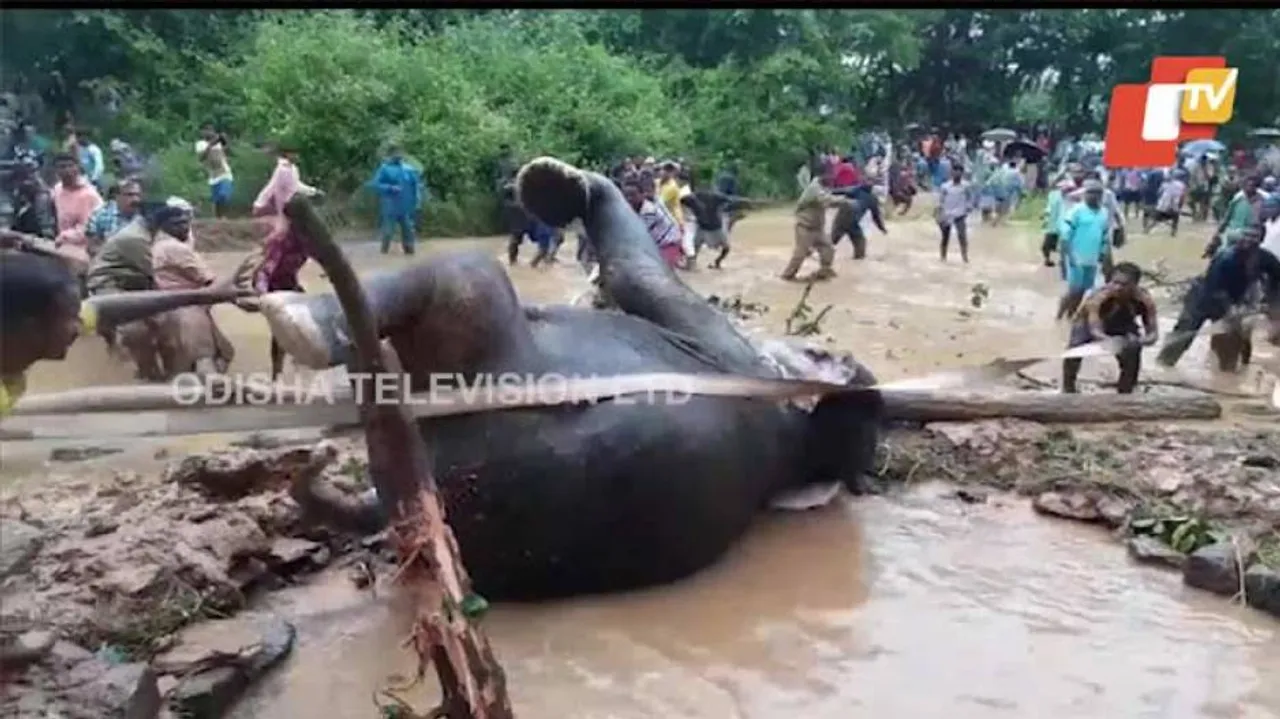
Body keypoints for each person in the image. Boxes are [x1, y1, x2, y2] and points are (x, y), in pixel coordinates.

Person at [0, 248, 252, 416]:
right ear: (29, 326)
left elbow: (102, 309)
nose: (80, 324)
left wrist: (202, 296)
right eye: (70, 318)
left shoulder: (15, 336)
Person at [1157, 226, 1280, 370]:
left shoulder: (1266, 258)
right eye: (1246, 235)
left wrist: (1272, 303)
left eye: (1254, 236)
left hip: (1231, 300)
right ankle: (1162, 366)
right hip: (1201, 299)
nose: (1248, 239)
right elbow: (1215, 287)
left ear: (1261, 240)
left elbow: (1277, 278)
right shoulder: (1226, 257)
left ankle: (1226, 375)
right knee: (1181, 338)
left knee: (1229, 345)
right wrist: (1230, 308)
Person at [150, 199, 238, 376]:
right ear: (163, 227)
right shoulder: (175, 248)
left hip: (164, 307)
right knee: (212, 359)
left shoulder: (156, 246)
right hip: (187, 306)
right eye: (177, 224)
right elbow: (210, 281)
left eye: (185, 222)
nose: (184, 227)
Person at [1061, 262, 1159, 394]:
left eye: (1124, 284)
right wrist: (1112, 341)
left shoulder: (1145, 300)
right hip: (1087, 324)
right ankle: (1068, 388)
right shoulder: (1098, 298)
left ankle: (1126, 391)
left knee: (1133, 351)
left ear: (1135, 285)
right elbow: (1095, 331)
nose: (1117, 288)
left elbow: (1153, 335)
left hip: (1122, 323)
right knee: (1075, 348)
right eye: (1114, 282)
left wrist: (1138, 341)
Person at [779, 168, 854, 281]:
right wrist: (844, 200)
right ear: (821, 176)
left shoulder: (824, 187)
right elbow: (825, 200)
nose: (831, 178)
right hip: (805, 227)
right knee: (801, 253)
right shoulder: (814, 188)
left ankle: (824, 270)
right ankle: (787, 276)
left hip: (817, 228)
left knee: (828, 248)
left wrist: (843, 201)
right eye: (829, 175)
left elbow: (829, 203)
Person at [1056, 179, 1109, 319]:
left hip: (1092, 259)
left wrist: (1103, 255)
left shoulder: (1104, 213)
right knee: (1073, 290)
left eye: (1097, 193)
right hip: (1075, 257)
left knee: (1085, 290)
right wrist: (1069, 257)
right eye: (1091, 192)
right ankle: (1059, 317)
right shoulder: (1076, 211)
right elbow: (1065, 237)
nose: (1094, 196)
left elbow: (1105, 236)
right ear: (1085, 194)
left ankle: (1071, 316)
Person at [49, 152, 104, 272]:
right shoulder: (58, 190)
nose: (67, 170)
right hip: (62, 245)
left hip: (87, 248)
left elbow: (88, 229)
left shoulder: (88, 195)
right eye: (62, 167)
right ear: (56, 171)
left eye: (70, 166)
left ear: (77, 168)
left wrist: (63, 237)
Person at [368, 144, 423, 256]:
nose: (399, 155)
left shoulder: (409, 169)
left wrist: (417, 202)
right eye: (396, 153)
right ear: (391, 155)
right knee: (388, 232)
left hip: (406, 207)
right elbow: (375, 184)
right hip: (390, 206)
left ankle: (409, 253)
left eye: (400, 153)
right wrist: (390, 187)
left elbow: (416, 187)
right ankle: (384, 253)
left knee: (409, 231)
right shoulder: (385, 169)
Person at [623, 177, 683, 268]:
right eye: (626, 196)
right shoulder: (638, 207)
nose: (629, 198)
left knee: (660, 270)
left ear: (642, 194)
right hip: (659, 244)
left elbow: (639, 236)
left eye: (633, 195)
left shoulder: (649, 211)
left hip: (668, 244)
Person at [1206, 174, 1268, 256]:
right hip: (1232, 236)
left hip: (1251, 238)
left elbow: (1265, 224)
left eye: (1252, 186)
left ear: (1256, 187)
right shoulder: (1238, 199)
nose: (1248, 188)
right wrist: (1216, 235)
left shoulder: (1262, 202)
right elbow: (1226, 218)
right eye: (1246, 185)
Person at [830, 183, 887, 260]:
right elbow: (876, 217)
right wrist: (882, 229)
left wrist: (831, 191)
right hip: (852, 216)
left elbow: (843, 191)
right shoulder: (873, 199)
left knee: (833, 239)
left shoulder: (857, 190)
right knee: (859, 242)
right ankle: (858, 259)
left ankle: (818, 253)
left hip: (847, 213)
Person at [85, 178, 144, 251]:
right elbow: (92, 246)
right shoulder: (101, 213)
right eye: (130, 195)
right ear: (117, 196)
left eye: (138, 195)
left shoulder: (146, 216)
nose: (135, 199)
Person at [195, 123, 234, 219]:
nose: (208, 132)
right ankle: (218, 219)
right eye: (206, 130)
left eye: (210, 130)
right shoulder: (200, 144)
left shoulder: (219, 143)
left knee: (224, 195)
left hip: (225, 173)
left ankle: (224, 216)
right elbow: (201, 157)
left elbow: (228, 150)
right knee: (216, 200)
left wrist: (225, 139)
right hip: (213, 176)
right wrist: (212, 144)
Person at [935, 164, 972, 263]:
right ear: (952, 172)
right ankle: (943, 257)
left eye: (959, 171)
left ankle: (965, 257)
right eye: (955, 171)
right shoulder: (945, 186)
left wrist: (968, 208)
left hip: (960, 214)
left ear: (962, 173)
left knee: (962, 236)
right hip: (947, 214)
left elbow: (969, 198)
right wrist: (938, 214)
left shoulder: (966, 186)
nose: (957, 173)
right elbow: (940, 201)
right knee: (945, 237)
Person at [1040, 178, 1075, 268]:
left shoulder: (1072, 198)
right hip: (1053, 223)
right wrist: (1045, 215)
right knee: (1047, 244)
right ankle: (1047, 259)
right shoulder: (1053, 195)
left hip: (1065, 224)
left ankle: (1063, 260)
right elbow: (1049, 207)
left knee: (1064, 244)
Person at [1143, 169, 1186, 236]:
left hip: (1162, 209)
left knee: (1155, 219)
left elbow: (1158, 194)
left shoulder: (1164, 185)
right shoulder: (1181, 185)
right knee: (1176, 216)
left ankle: (1147, 229)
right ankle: (1174, 230)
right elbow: (1182, 198)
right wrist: (1179, 207)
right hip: (1172, 211)